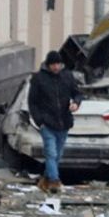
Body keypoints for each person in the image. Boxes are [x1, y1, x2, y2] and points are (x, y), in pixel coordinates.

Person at [27, 50, 81, 194]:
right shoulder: (39, 79)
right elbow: (32, 102)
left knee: (57, 154)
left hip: (63, 122)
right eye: (53, 64)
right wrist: (40, 121)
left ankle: (45, 180)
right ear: (48, 65)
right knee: (50, 153)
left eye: (58, 64)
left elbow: (76, 93)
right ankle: (54, 181)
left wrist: (76, 103)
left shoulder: (67, 76)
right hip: (47, 123)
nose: (56, 67)